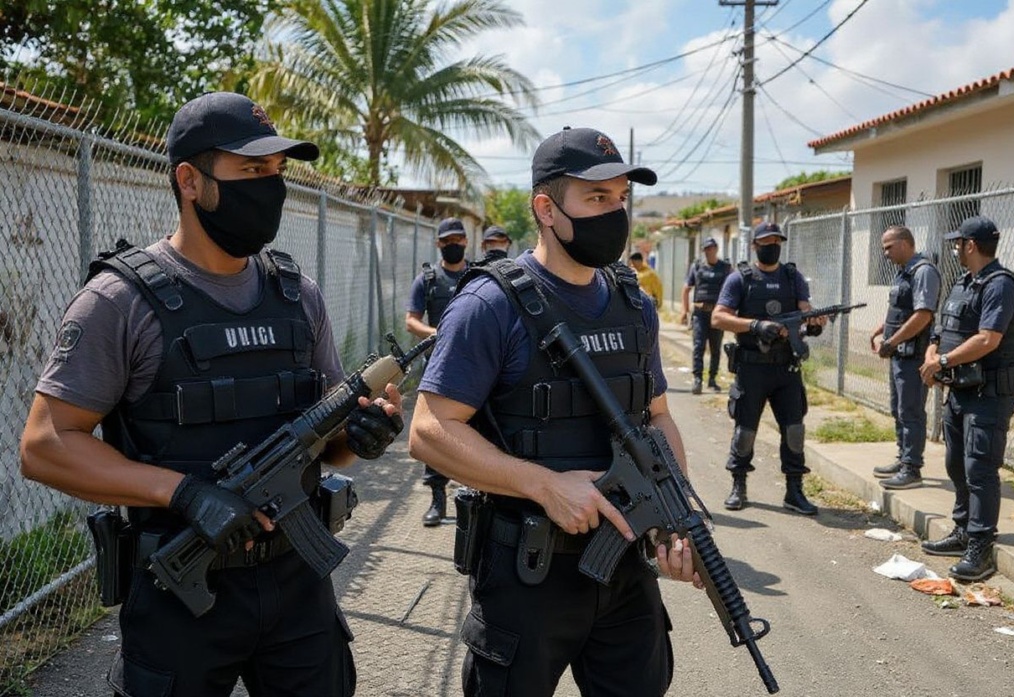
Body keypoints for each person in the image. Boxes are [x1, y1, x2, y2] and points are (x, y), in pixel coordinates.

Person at [18, 91, 404, 697]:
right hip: (182, 591)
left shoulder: (298, 296)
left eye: (278, 171)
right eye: (252, 170)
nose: (272, 187)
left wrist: (359, 436)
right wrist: (185, 494)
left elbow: (329, 449)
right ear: (190, 181)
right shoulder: (119, 303)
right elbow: (44, 445)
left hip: (297, 582)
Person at [409, 126, 701, 697]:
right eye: (597, 199)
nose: (615, 213)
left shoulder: (633, 303)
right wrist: (544, 485)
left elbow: (659, 416)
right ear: (546, 207)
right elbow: (428, 431)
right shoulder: (489, 304)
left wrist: (675, 514)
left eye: (621, 199)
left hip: (627, 570)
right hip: (527, 570)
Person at [919, 215, 1014, 582]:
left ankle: (980, 544)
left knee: (980, 468)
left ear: (971, 246)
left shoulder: (1001, 285)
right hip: (960, 389)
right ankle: (963, 529)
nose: (955, 249)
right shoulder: (965, 282)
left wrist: (942, 361)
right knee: (955, 464)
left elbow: (988, 339)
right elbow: (943, 327)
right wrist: (933, 354)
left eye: (958, 243)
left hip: (990, 393)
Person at [711, 222, 827, 515]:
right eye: (766, 241)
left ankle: (794, 491)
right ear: (755, 245)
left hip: (787, 367)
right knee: (745, 431)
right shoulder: (740, 279)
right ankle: (739, 485)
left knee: (794, 430)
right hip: (752, 368)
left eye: (776, 240)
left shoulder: (792, 276)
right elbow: (718, 318)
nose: (771, 245)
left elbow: (804, 308)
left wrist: (812, 322)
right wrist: (755, 325)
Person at [405, 217, 470, 526]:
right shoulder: (428, 279)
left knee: (479, 427)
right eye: (447, 241)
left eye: (457, 239)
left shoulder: (478, 276)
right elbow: (411, 320)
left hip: (476, 364)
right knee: (435, 431)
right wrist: (437, 334)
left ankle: (476, 498)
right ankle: (437, 499)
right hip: (439, 364)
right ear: (438, 244)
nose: (453, 245)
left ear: (466, 242)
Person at [869, 225, 940, 490]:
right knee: (898, 408)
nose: (885, 253)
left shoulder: (924, 272)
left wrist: (892, 341)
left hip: (913, 356)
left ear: (905, 243)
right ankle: (903, 458)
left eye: (888, 247)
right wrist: (881, 330)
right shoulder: (904, 272)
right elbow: (900, 310)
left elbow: (923, 315)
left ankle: (912, 468)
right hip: (899, 354)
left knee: (911, 411)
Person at [681, 237, 731, 395]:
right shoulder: (697, 267)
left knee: (716, 348)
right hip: (700, 313)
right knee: (698, 347)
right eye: (706, 249)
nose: (709, 251)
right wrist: (684, 310)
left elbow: (731, 290)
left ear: (716, 249)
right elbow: (686, 288)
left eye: (711, 248)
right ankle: (697, 380)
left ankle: (712, 379)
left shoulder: (725, 267)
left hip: (717, 314)